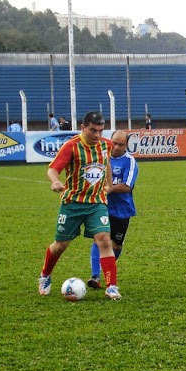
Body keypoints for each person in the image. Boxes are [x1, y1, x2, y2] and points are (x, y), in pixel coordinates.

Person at [38, 111, 122, 300]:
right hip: (72, 203)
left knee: (104, 240)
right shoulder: (71, 147)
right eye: (93, 130)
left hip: (96, 202)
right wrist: (55, 181)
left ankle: (112, 286)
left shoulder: (105, 145)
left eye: (100, 131)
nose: (97, 135)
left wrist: (108, 185)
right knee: (60, 245)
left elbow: (106, 162)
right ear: (83, 127)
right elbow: (53, 169)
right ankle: (45, 275)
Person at [88, 130, 137, 290]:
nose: (116, 147)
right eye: (114, 143)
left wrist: (108, 188)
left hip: (122, 210)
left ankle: (106, 267)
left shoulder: (129, 162)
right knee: (101, 239)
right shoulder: (102, 156)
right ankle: (95, 276)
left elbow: (127, 186)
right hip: (101, 206)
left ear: (126, 146)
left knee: (116, 246)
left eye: (120, 145)